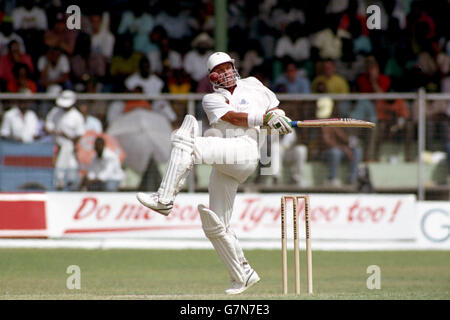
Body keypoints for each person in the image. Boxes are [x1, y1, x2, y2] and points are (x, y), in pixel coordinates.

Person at [136, 52, 293, 294]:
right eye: (220, 69)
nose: (227, 72)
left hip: (246, 152)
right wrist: (265, 118)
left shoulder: (254, 84)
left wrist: (279, 120)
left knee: (185, 140)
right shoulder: (211, 99)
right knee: (215, 225)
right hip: (226, 157)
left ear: (234, 66)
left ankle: (164, 199)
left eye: (228, 66)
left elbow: (274, 108)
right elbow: (234, 117)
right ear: (213, 77)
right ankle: (243, 274)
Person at [316, 97, 362, 187]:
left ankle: (352, 178)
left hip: (340, 150)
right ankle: (331, 179)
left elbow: (345, 139)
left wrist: (350, 143)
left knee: (357, 150)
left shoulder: (333, 122)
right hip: (324, 153)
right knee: (335, 152)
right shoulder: (319, 123)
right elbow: (327, 143)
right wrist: (344, 148)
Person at [51, 90, 85, 191]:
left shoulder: (77, 116)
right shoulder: (55, 112)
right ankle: (59, 181)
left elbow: (78, 136)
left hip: (69, 146)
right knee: (64, 164)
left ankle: (66, 183)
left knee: (71, 165)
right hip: (55, 145)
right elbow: (47, 126)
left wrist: (66, 136)